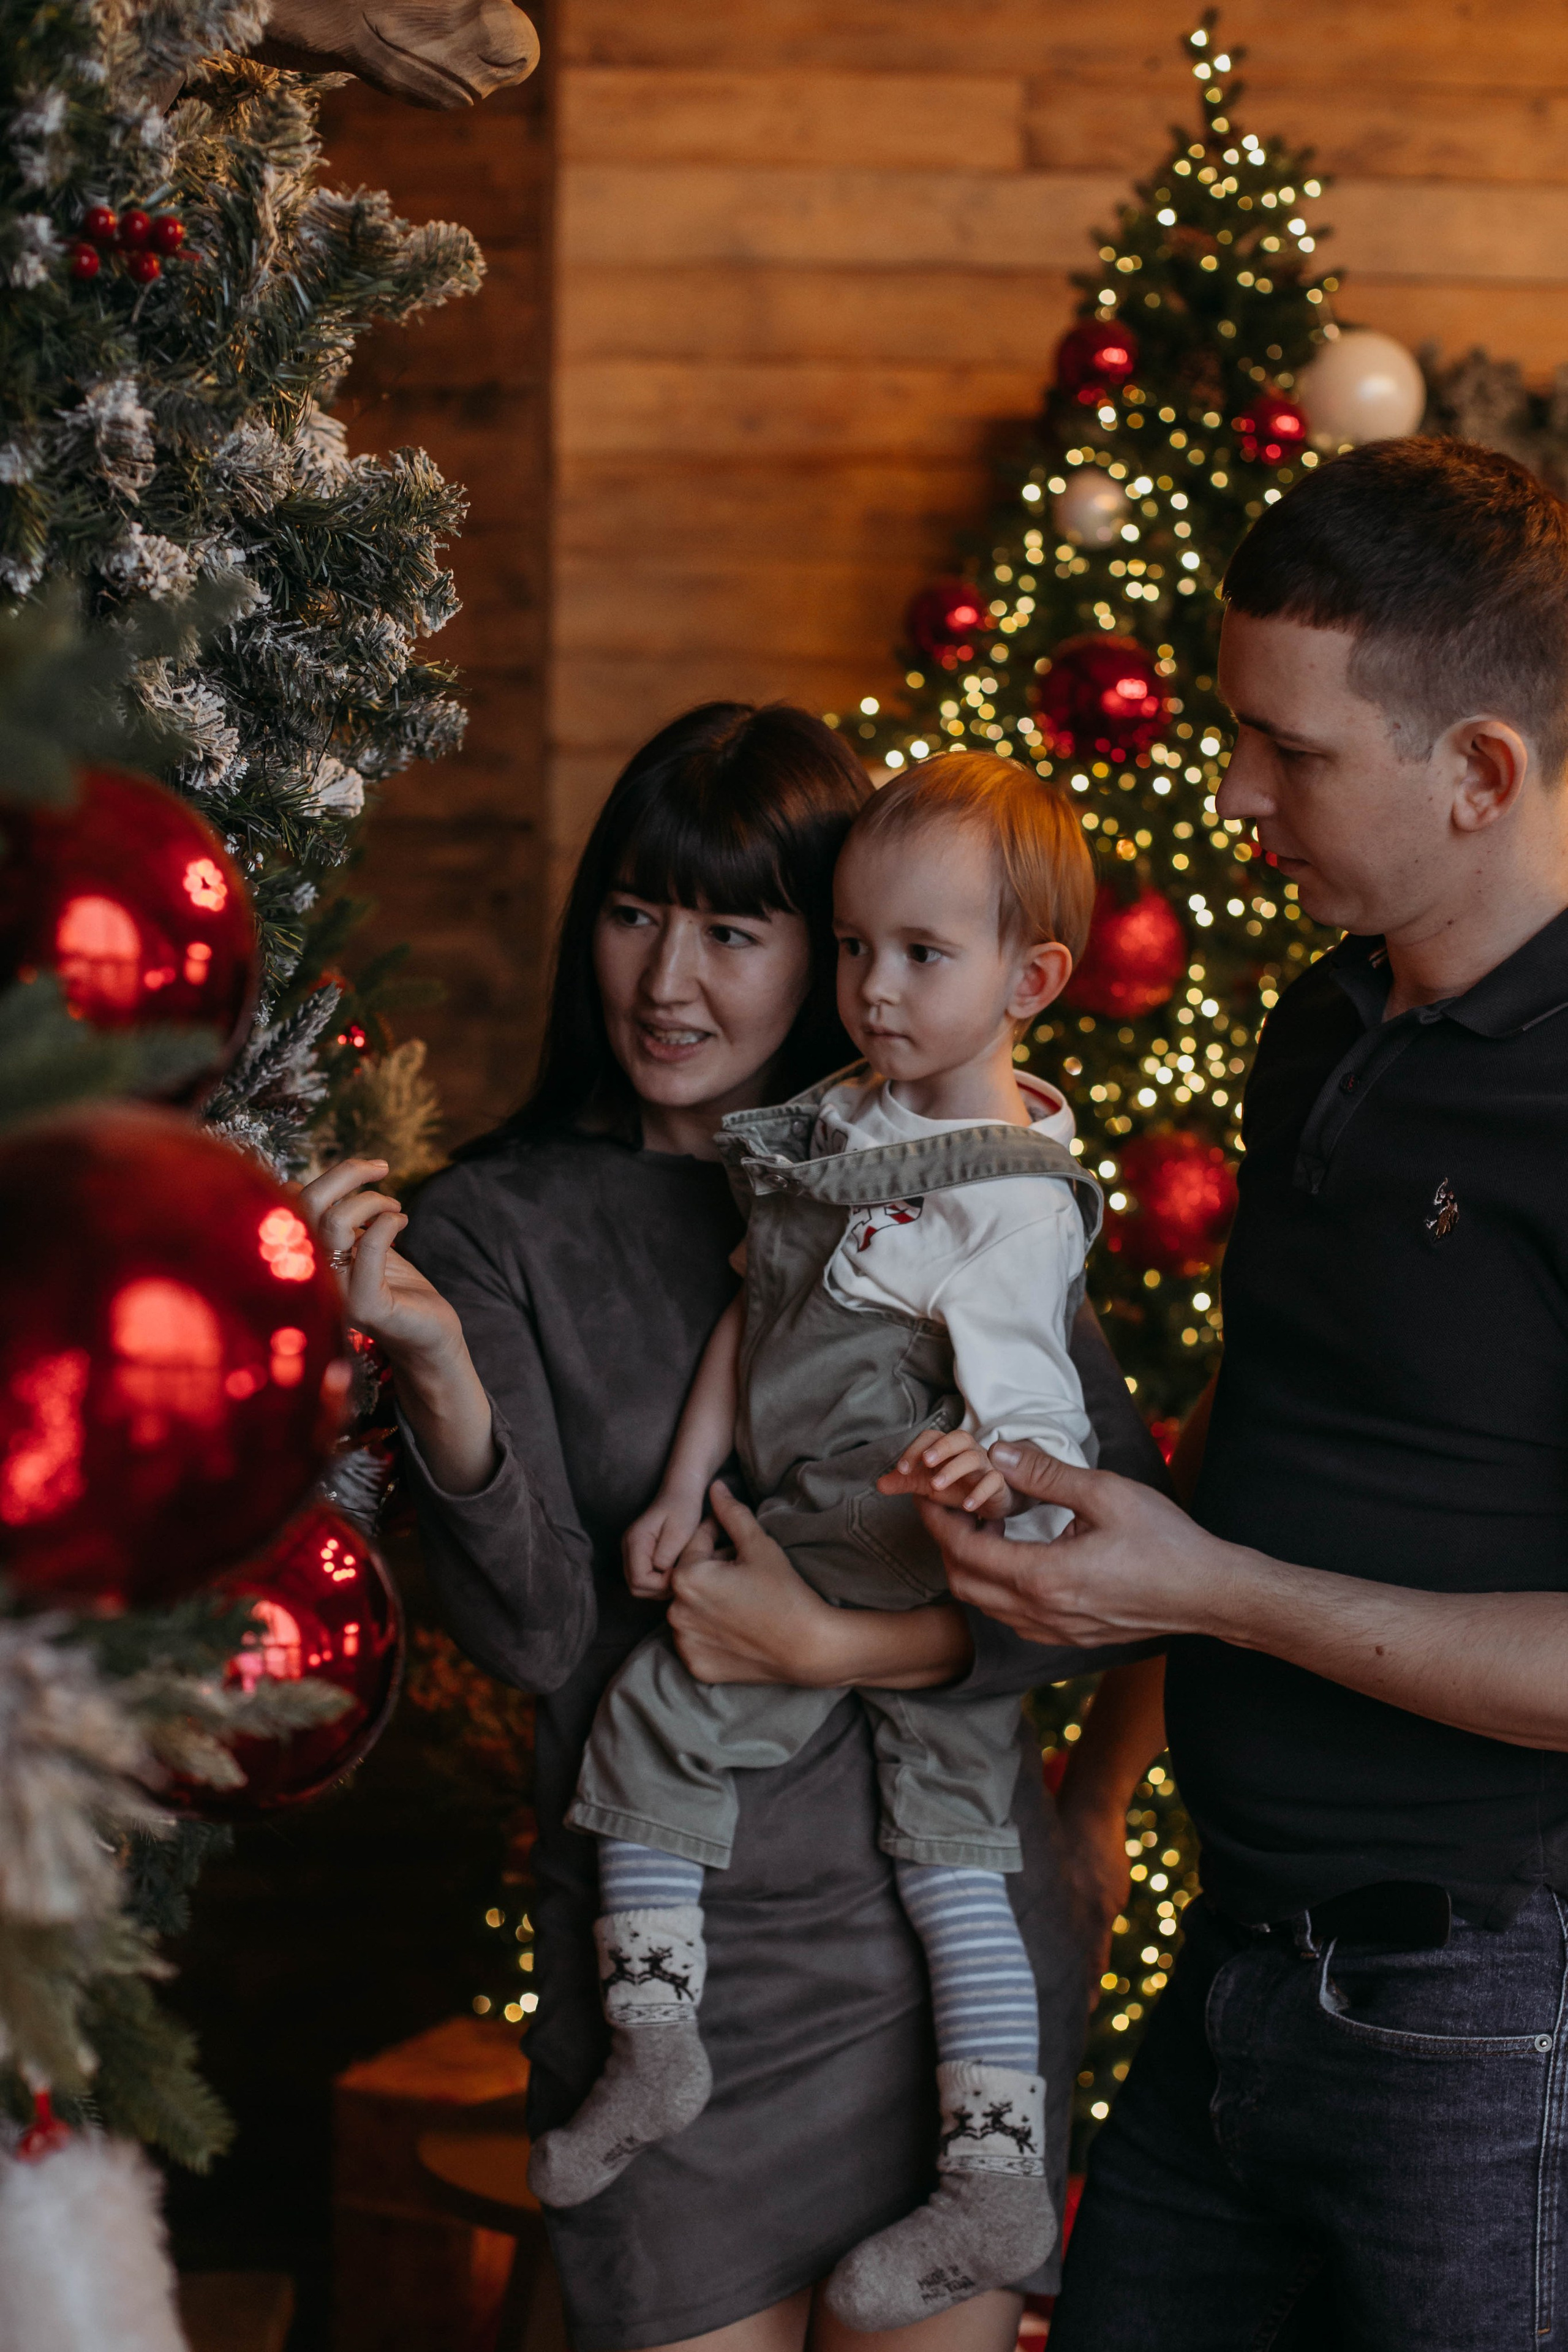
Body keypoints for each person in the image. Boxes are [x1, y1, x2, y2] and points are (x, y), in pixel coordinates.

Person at [299, 701, 1168, 2352]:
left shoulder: (946, 1189)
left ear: (837, 952)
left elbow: (1116, 1568)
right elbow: (542, 1632)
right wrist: (435, 1373)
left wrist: (870, 1661)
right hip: (676, 1988)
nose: (668, 979)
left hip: (944, 1980)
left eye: (733, 928)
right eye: (634, 913)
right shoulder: (503, 1225)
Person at [915, 440, 1568, 2352]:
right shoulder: (1321, 1021)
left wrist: (1200, 1595)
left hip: (1491, 2011)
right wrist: (1106, 1785)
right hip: (1232, 1967)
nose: (1231, 793)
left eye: (1293, 753)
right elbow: (1255, 1440)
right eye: (1231, 729)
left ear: (1482, 775)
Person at [533, 755, 1102, 2329]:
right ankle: (698, 2053)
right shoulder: (835, 1122)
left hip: (904, 1535)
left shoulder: (1018, 1207)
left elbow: (1048, 1446)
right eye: (855, 948)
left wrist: (988, 1487)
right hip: (806, 1519)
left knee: (916, 1839)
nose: (872, 989)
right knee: (894, 1829)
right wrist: (680, 1481)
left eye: (919, 957)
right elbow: (758, 1312)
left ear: (1025, 981)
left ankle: (953, 2156)